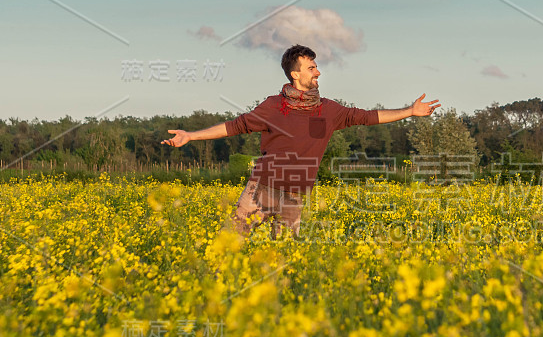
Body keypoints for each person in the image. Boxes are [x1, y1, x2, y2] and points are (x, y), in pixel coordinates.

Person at [161, 44, 440, 238]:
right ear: (295, 74)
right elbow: (235, 126)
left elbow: (367, 117)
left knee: (286, 257)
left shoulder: (329, 110)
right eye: (311, 67)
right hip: (263, 189)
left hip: (296, 194)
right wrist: (191, 136)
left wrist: (409, 111)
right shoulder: (272, 107)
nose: (317, 72)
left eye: (316, 66)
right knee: (230, 244)